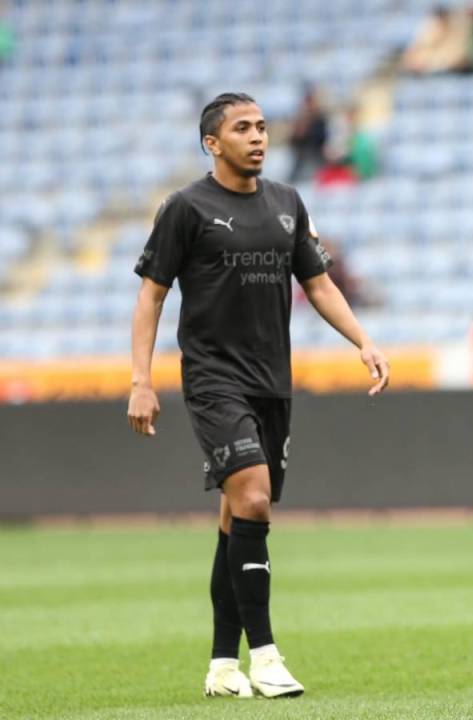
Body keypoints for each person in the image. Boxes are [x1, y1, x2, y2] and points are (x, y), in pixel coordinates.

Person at [126, 92, 389, 699]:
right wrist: (141, 380)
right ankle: (266, 656)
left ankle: (222, 664)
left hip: (274, 379)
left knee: (237, 516)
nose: (258, 136)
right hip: (215, 377)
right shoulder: (185, 209)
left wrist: (363, 341)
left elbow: (318, 284)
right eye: (242, 128)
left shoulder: (288, 203)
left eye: (263, 127)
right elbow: (151, 297)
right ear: (212, 143)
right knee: (255, 496)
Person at [287, 89, 329, 183]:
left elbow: (322, 136)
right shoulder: (300, 118)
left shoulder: (319, 117)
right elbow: (293, 141)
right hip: (302, 152)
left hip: (317, 151)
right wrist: (298, 134)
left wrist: (308, 131)